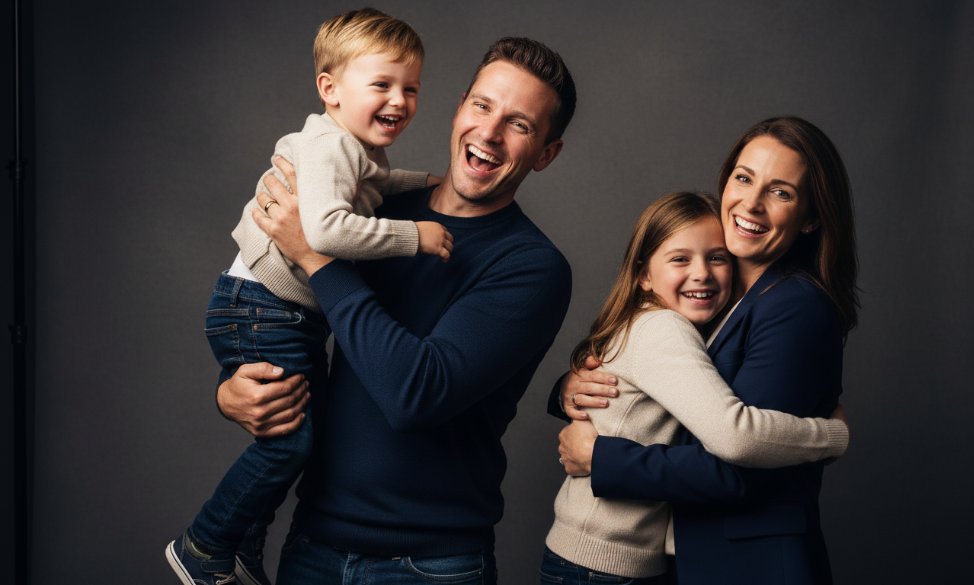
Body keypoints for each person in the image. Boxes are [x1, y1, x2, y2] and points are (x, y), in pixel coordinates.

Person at [216, 37, 577, 584]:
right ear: (459, 107)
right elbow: (279, 310)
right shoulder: (372, 213)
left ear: (546, 153)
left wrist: (315, 255)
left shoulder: (531, 266)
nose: (489, 132)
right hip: (311, 544)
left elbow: (416, 392)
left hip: (431, 564)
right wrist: (232, 389)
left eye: (520, 124)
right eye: (482, 106)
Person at [165, 9, 452, 585]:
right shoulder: (328, 148)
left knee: (299, 434)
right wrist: (410, 235)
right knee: (288, 444)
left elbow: (373, 182)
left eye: (411, 88)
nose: (399, 100)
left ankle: (243, 546)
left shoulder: (351, 147)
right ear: (330, 89)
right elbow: (323, 232)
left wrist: (423, 182)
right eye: (382, 84)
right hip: (262, 307)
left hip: (273, 309)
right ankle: (204, 545)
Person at [558, 117, 858, 584]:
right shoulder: (718, 294)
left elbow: (739, 467)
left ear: (812, 218)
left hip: (753, 566)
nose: (751, 203)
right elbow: (664, 388)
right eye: (744, 178)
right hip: (698, 559)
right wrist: (573, 389)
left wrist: (602, 459)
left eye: (781, 192)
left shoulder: (795, 306)